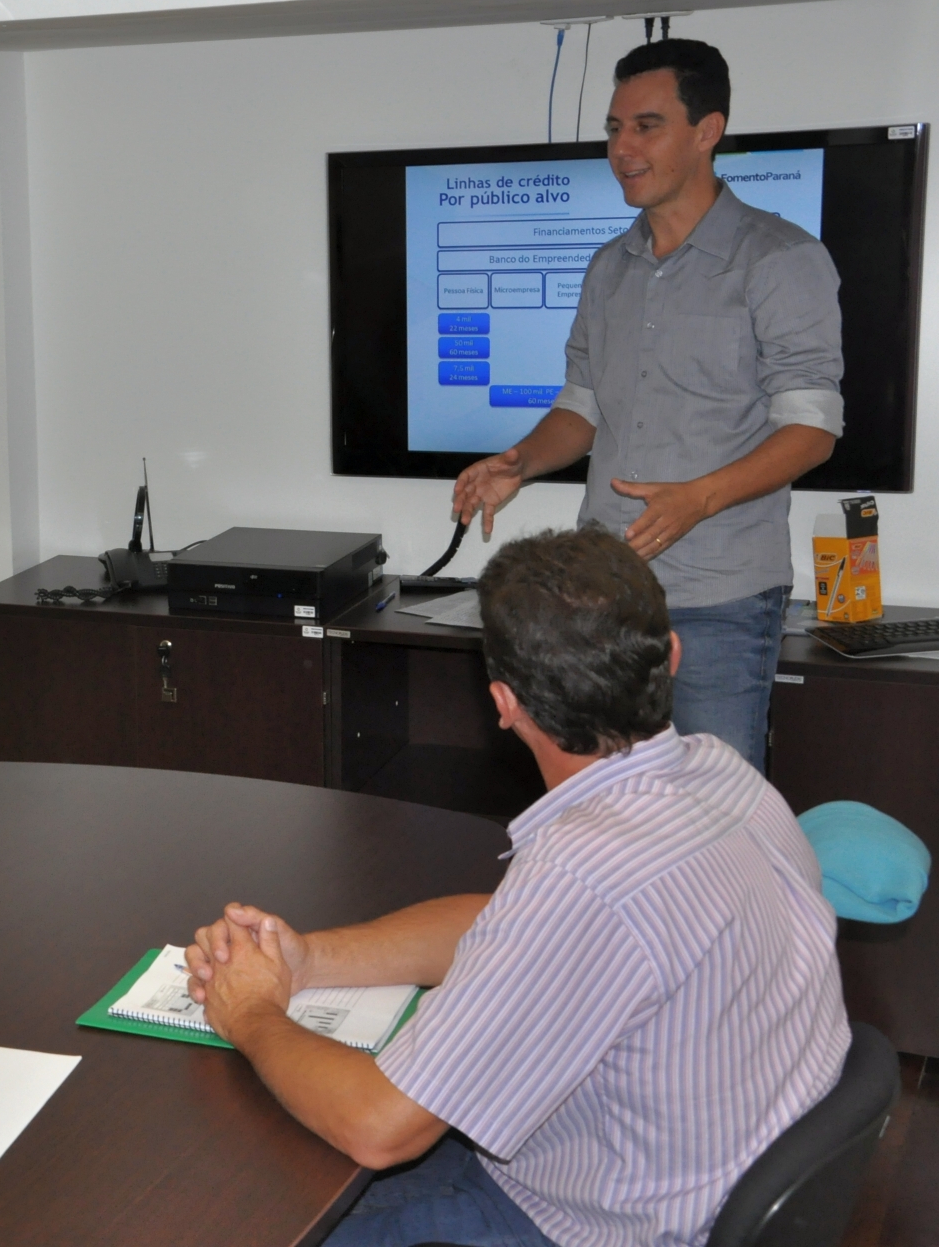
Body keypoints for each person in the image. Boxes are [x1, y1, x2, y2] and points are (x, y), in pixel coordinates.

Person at [186, 527, 848, 1247]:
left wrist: (250, 1012)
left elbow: (380, 1130)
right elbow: (502, 927)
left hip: (600, 1225)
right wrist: (308, 960)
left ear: (504, 702)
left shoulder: (584, 873)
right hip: (705, 1174)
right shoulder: (723, 774)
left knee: (236, 1218)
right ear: (674, 657)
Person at [450, 37, 842, 770]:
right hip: (603, 598)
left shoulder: (780, 260)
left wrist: (699, 498)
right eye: (614, 128)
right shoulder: (609, 267)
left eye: (646, 125)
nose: (623, 148)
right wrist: (519, 463)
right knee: (608, 809)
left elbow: (813, 427)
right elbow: (583, 404)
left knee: (714, 813)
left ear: (707, 131)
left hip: (720, 597)